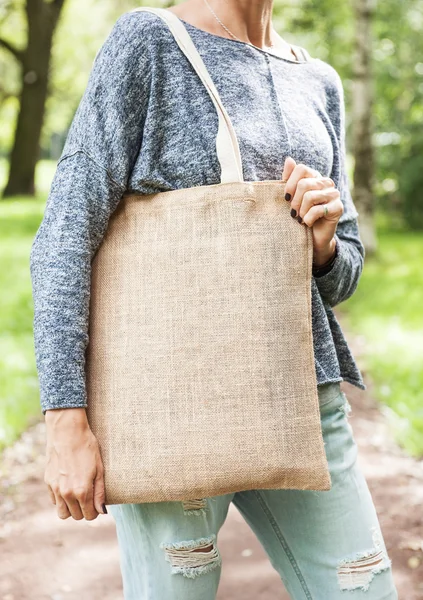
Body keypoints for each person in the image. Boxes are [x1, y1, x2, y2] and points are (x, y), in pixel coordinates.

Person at [29, 0, 399, 598]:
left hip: (300, 398)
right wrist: (65, 421)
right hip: (171, 402)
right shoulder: (149, 42)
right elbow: (66, 236)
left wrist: (324, 244)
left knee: (366, 588)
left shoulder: (319, 80)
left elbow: (344, 274)